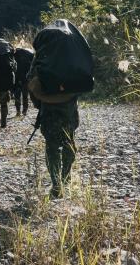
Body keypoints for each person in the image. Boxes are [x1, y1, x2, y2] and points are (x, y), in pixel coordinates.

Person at [27, 20, 94, 199]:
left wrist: (39, 102)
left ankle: (56, 184)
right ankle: (66, 177)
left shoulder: (43, 54)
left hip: (48, 107)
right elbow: (83, 80)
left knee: (52, 146)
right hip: (69, 106)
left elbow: (31, 80)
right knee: (69, 141)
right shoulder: (74, 54)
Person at [12, 45, 34, 117]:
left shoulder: (15, 56)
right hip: (25, 79)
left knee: (17, 96)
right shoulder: (28, 56)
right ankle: (24, 111)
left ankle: (18, 111)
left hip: (17, 79)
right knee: (25, 96)